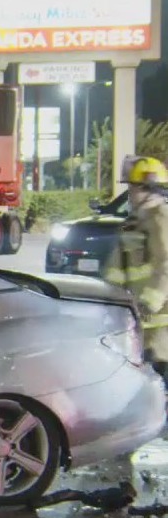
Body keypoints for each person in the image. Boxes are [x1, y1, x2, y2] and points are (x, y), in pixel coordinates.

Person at [103, 155, 168, 377]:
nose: (129, 192)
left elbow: (166, 263)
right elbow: (117, 269)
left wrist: (150, 302)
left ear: (147, 188)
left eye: (132, 187)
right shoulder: (135, 222)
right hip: (138, 322)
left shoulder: (160, 218)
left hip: (159, 327)